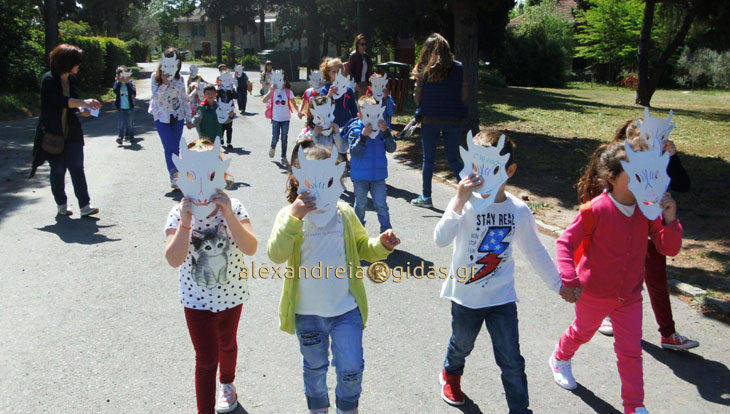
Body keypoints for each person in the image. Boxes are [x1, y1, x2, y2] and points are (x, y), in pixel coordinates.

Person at [434, 131, 569, 412]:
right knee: (461, 345)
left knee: (511, 361)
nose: (481, 175)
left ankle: (520, 409)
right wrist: (458, 201)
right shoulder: (465, 203)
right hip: (465, 296)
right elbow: (441, 239)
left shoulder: (517, 210)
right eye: (476, 166)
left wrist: (559, 285)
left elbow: (536, 251)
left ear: (509, 170)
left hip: (501, 299)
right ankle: (451, 372)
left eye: (491, 168)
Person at [549, 141, 683, 414]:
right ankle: (560, 357)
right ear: (611, 178)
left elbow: (669, 248)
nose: (643, 179)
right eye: (634, 173)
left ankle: (634, 406)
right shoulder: (595, 210)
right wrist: (570, 280)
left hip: (630, 297)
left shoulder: (647, 209)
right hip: (593, 294)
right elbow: (564, 243)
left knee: (631, 353)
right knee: (581, 332)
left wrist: (670, 220)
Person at [267, 139, 400, 414]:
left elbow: (363, 247)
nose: (320, 188)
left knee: (351, 368)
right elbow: (276, 254)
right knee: (314, 368)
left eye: (329, 181)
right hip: (308, 314)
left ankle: (347, 409)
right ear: (296, 179)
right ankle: (318, 409)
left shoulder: (344, 213)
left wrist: (382, 246)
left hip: (345, 310)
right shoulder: (289, 216)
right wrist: (294, 217)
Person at [584, 119, 698, 350]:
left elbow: (684, 185)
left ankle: (668, 334)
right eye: (646, 140)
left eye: (657, 140)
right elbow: (596, 191)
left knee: (657, 282)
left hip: (651, 228)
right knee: (613, 274)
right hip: (620, 228)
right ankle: (605, 315)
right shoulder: (617, 159)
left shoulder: (660, 158)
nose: (652, 145)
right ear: (631, 140)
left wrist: (673, 157)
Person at [164, 138, 257, 414]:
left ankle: (227, 384)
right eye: (193, 175)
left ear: (223, 176)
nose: (203, 185)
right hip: (195, 298)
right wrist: (185, 222)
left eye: (211, 175)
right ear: (183, 179)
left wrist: (228, 214)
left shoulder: (236, 207)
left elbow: (250, 247)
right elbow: (173, 259)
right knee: (205, 358)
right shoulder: (177, 214)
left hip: (232, 294)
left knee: (227, 344)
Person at [30, 43, 101, 217]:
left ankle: (85, 206)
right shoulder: (49, 80)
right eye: (76, 62)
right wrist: (83, 102)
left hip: (72, 132)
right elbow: (61, 100)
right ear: (66, 62)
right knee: (58, 170)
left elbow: (72, 103)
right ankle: (61, 204)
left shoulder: (71, 79)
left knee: (77, 167)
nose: (79, 65)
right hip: (53, 134)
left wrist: (82, 110)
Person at [410, 33, 467, 209]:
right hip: (453, 118)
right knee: (453, 158)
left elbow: (418, 98)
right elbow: (464, 94)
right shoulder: (459, 68)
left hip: (430, 117)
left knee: (429, 159)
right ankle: (469, 194)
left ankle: (426, 197)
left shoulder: (425, 70)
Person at [347, 95, 396, 233]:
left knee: (381, 205)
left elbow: (392, 148)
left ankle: (386, 232)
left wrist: (386, 133)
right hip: (360, 177)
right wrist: (363, 136)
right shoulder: (355, 130)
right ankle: (357, 233)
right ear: (360, 115)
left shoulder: (382, 130)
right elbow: (355, 152)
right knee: (361, 205)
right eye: (369, 115)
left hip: (378, 176)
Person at [148, 47, 194, 188]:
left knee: (176, 147)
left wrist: (188, 118)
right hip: (162, 117)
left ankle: (178, 175)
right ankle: (174, 176)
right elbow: (155, 99)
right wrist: (163, 83)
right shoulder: (154, 78)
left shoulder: (180, 79)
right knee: (169, 147)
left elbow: (183, 99)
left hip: (177, 117)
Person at [263, 76, 300, 166]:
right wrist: (270, 91)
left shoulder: (288, 92)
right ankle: (272, 147)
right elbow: (264, 100)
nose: (280, 82)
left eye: (282, 80)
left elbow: (294, 104)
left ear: (285, 81)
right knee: (275, 137)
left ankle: (283, 157)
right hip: (276, 119)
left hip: (286, 119)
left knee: (284, 139)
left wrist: (299, 112)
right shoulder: (273, 91)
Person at [113, 66, 136, 145]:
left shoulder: (130, 83)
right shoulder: (117, 83)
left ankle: (131, 136)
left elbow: (133, 92)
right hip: (121, 107)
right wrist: (119, 82)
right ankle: (120, 137)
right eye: (120, 75)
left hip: (129, 107)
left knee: (130, 123)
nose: (122, 77)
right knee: (121, 123)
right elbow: (115, 91)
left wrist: (127, 83)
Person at [347, 34, 373, 99]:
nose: (364, 46)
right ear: (357, 45)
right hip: (357, 84)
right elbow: (350, 72)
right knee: (359, 105)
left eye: (365, 44)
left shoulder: (366, 56)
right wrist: (355, 85)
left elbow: (368, 70)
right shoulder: (353, 55)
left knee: (364, 105)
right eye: (362, 44)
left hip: (365, 83)